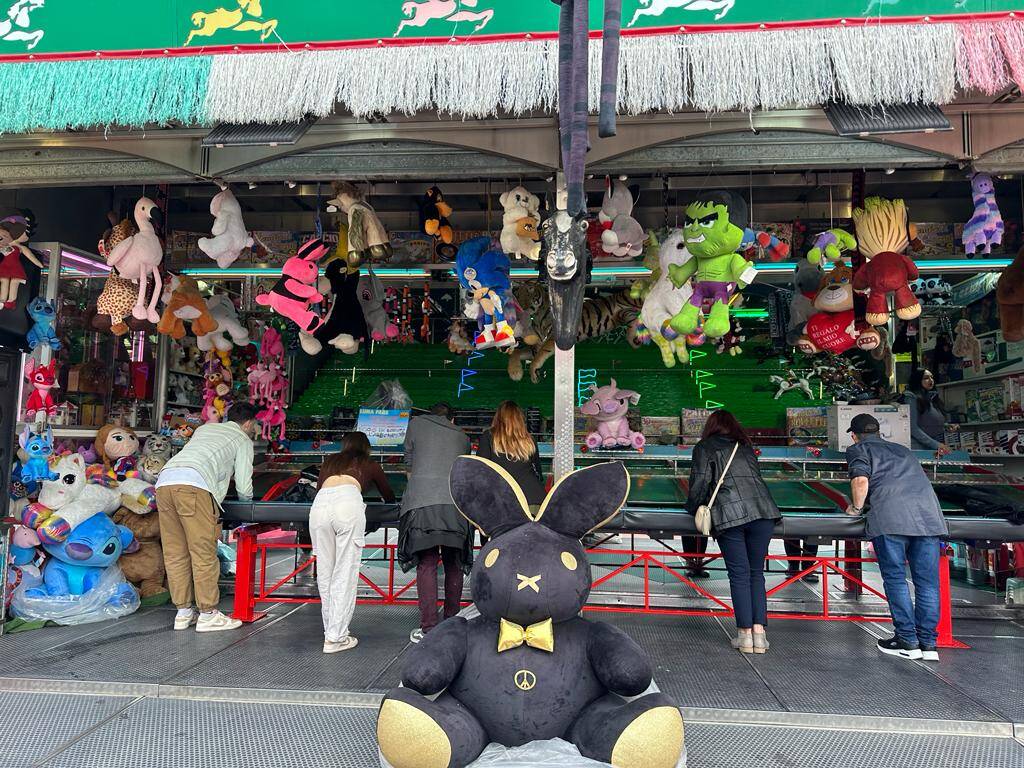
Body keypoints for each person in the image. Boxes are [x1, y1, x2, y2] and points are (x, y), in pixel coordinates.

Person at [846, 414, 949, 662]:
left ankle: (907, 640)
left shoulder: (858, 449)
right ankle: (928, 644)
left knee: (895, 579)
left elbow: (861, 480)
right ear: (880, 432)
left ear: (854, 434)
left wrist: (856, 508)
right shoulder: (903, 450)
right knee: (927, 584)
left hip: (891, 518)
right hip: (928, 519)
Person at [155, 402, 259, 633]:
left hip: (165, 482)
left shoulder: (204, 429)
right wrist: (249, 505)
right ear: (249, 423)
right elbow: (243, 484)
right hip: (195, 485)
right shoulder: (243, 439)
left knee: (175, 552)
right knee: (202, 552)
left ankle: (183, 612)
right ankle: (208, 614)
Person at [687, 410, 781, 654]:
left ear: (710, 427)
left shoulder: (705, 447)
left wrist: (692, 509)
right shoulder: (745, 446)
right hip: (763, 512)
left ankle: (744, 635)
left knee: (739, 575)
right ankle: (760, 635)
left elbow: (699, 483)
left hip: (729, 516)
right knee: (755, 574)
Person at [311, 432, 395, 654]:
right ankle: (336, 638)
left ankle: (330, 631)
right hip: (348, 504)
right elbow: (389, 496)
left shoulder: (330, 462)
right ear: (366, 447)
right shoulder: (370, 464)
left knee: (326, 572)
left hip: (320, 507)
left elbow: (319, 488)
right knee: (345, 573)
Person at [398, 402, 473, 643]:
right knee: (454, 563)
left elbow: (408, 463)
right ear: (452, 419)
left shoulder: (415, 424)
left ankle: (428, 627)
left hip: (421, 505)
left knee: (427, 563)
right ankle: (452, 622)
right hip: (455, 505)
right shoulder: (462, 436)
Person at [475, 401, 545, 511]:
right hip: (533, 498)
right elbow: (539, 474)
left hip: (502, 500)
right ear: (520, 419)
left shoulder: (489, 437)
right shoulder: (529, 439)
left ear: (498, 418)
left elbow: (480, 471)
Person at [903, 368, 954, 455]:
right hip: (918, 449)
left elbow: (926, 421)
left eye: (932, 377)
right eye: (926, 378)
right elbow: (912, 428)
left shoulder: (932, 398)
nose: (931, 380)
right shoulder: (911, 398)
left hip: (931, 449)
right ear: (917, 380)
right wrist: (936, 445)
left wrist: (945, 426)